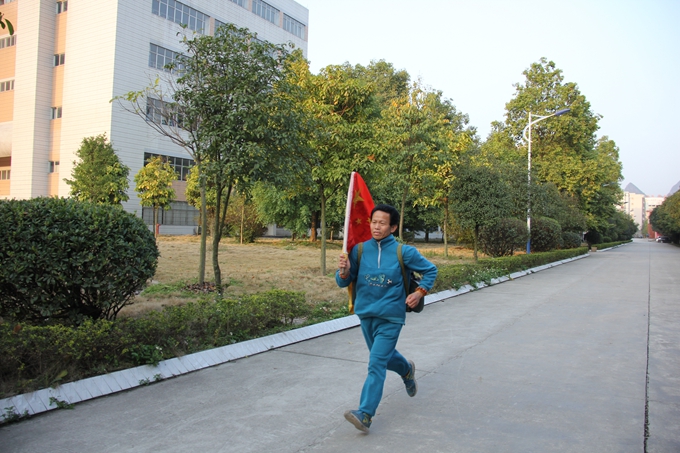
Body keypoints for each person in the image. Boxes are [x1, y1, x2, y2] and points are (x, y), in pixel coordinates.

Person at [336, 204, 438, 433]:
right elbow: (343, 281)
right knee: (383, 357)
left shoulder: (404, 252)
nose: (376, 226)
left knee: (376, 363)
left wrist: (419, 292)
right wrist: (343, 271)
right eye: (374, 222)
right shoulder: (359, 250)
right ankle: (406, 370)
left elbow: (431, 270)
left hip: (391, 317)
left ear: (392, 227)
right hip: (366, 314)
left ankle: (365, 414)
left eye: (382, 223)